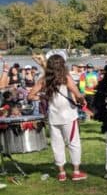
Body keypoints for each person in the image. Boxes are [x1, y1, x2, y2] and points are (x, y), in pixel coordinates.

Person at [27, 54, 87, 182]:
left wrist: (43, 97)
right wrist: (82, 101)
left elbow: (30, 96)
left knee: (57, 145)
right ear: (62, 65)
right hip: (69, 116)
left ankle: (61, 173)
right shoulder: (66, 78)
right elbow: (78, 94)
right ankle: (76, 172)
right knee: (73, 143)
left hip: (53, 117)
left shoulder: (44, 79)